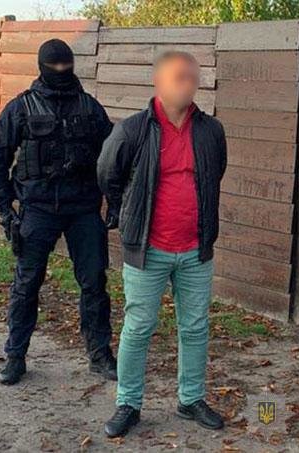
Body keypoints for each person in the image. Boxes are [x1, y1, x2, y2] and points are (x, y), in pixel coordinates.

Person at [97, 51, 227, 438]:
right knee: (138, 327)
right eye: (177, 77)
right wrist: (129, 210)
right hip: (147, 250)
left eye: (191, 77)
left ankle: (191, 399)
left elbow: (215, 172)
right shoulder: (132, 130)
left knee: (195, 327)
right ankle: (128, 403)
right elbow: (107, 174)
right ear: (158, 82)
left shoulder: (211, 131)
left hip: (195, 250)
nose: (187, 84)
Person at [0, 39, 116, 385]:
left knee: (94, 283)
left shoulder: (90, 108)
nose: (60, 71)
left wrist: (115, 203)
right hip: (38, 209)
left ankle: (100, 354)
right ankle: (15, 355)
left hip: (83, 208)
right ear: (42, 67)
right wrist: (4, 210)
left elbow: (113, 159)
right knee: (26, 283)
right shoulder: (21, 108)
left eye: (65, 65)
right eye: (54, 65)